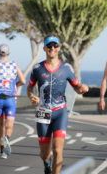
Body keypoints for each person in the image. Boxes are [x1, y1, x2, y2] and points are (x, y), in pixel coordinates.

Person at [27, 35, 89, 174]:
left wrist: (83, 88)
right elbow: (29, 89)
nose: (52, 49)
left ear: (59, 48)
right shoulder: (37, 68)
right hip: (43, 111)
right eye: (49, 46)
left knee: (57, 150)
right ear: (44, 48)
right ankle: (46, 163)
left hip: (60, 111)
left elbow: (76, 86)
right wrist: (32, 96)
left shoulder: (66, 68)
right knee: (45, 153)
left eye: (55, 46)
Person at [0, 44, 26, 159]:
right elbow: (23, 81)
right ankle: (7, 139)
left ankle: (2, 148)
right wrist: (14, 85)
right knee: (9, 126)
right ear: (9, 53)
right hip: (11, 98)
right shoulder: (15, 65)